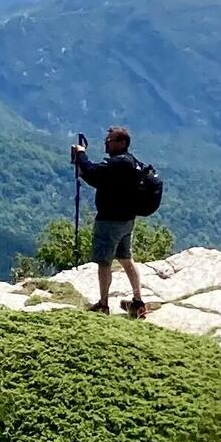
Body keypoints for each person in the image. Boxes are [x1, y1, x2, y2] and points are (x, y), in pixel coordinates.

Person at [70, 126, 155, 317]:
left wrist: (81, 155)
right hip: (127, 219)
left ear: (121, 143)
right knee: (126, 258)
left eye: (109, 141)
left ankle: (103, 304)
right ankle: (138, 301)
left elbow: (92, 173)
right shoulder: (131, 162)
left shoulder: (117, 164)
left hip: (109, 220)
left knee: (104, 262)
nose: (106, 144)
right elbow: (97, 177)